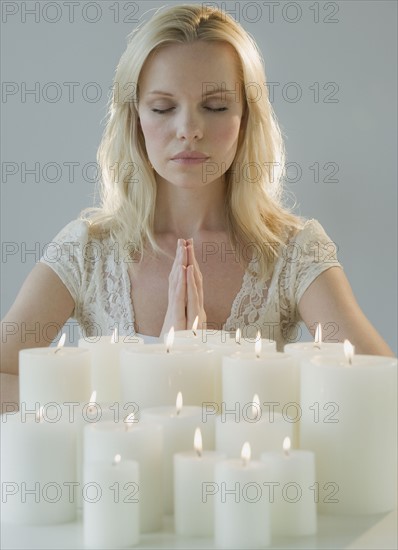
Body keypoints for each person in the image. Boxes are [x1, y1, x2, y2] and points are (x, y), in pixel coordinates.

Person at [0, 4, 394, 387]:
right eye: (163, 107)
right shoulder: (86, 251)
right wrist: (124, 397)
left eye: (216, 106)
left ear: (246, 118)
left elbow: (382, 384)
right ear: (134, 118)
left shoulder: (293, 252)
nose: (189, 128)